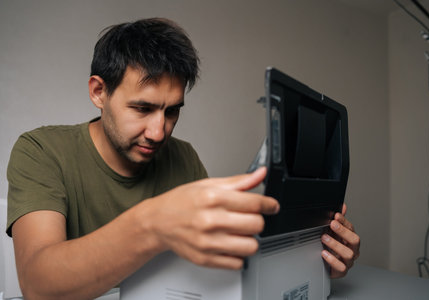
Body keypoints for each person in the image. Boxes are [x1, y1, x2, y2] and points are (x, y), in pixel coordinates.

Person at [6, 18, 360, 300]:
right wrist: (152, 224)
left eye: (172, 111)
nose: (159, 132)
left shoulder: (183, 156)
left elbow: (213, 265)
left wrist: (316, 260)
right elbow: (38, 285)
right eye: (142, 108)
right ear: (99, 92)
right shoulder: (41, 150)